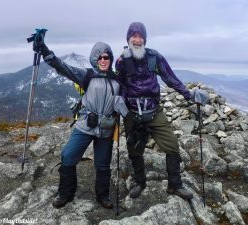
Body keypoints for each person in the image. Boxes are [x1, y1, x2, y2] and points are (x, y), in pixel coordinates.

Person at [115, 22, 209, 199]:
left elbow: (170, 78)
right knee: (134, 149)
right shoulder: (121, 61)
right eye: (133, 36)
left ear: (145, 39)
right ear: (128, 39)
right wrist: (119, 99)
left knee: (172, 145)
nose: (137, 39)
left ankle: (175, 185)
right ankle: (140, 183)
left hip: (153, 111)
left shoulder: (154, 57)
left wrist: (189, 94)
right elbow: (120, 84)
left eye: (140, 36)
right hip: (132, 113)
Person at [35, 41, 128, 209]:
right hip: (86, 126)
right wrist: (45, 51)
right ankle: (66, 194)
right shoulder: (87, 75)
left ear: (110, 59)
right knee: (68, 156)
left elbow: (131, 91)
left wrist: (123, 104)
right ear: (94, 59)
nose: (103, 60)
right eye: (99, 57)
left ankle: (103, 196)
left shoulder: (117, 81)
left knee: (102, 164)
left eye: (106, 57)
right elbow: (63, 67)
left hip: (106, 129)